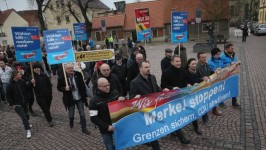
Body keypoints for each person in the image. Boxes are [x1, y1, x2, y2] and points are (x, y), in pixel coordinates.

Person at [129, 60, 169, 150]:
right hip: (145, 111)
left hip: (155, 108)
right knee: (152, 131)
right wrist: (135, 97)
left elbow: (156, 88)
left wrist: (163, 90)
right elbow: (131, 98)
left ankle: (147, 139)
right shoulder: (134, 82)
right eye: (146, 67)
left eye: (149, 67)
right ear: (140, 69)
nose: (148, 69)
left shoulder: (153, 77)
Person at [160, 55, 191, 144]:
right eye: (177, 61)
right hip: (172, 98)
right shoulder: (166, 72)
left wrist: (188, 84)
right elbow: (163, 85)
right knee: (176, 117)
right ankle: (181, 137)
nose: (179, 63)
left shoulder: (182, 70)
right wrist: (172, 88)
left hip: (182, 96)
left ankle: (173, 131)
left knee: (180, 115)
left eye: (180, 61)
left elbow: (185, 80)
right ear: (172, 62)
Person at [57, 63, 90, 134]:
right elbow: (59, 88)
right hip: (70, 99)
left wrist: (85, 96)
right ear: (65, 69)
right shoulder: (62, 77)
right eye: (69, 68)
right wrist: (64, 88)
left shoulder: (78, 74)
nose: (71, 69)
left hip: (79, 98)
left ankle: (84, 128)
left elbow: (82, 86)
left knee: (82, 114)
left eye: (72, 67)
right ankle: (71, 121)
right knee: (71, 114)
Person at [89, 78, 119, 150]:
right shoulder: (94, 100)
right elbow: (93, 118)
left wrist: (123, 98)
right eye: (104, 86)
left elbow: (122, 104)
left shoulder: (115, 93)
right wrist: (107, 127)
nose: (107, 87)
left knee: (119, 145)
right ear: (99, 87)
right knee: (109, 147)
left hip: (117, 124)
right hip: (105, 129)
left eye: (108, 85)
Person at [6, 70, 32, 139]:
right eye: (19, 74)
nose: (21, 75)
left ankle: (26, 124)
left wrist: (31, 82)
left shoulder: (22, 81)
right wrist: (12, 104)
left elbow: (27, 87)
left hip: (24, 103)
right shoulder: (10, 85)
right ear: (15, 76)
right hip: (17, 105)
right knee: (24, 117)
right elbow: (8, 96)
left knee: (26, 115)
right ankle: (28, 130)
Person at [197, 52, 222, 119]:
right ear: (199, 59)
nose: (204, 58)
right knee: (203, 101)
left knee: (212, 96)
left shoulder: (206, 64)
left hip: (209, 84)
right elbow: (195, 78)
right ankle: (204, 115)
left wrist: (215, 71)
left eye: (205, 57)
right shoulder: (197, 67)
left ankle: (214, 109)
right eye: (202, 57)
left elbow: (210, 71)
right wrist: (202, 78)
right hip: (202, 86)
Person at [185, 58, 204, 135]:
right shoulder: (185, 72)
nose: (194, 65)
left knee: (195, 109)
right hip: (188, 94)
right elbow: (185, 81)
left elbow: (199, 78)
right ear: (188, 64)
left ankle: (198, 125)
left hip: (196, 93)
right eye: (192, 64)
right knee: (191, 110)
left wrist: (202, 79)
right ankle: (194, 126)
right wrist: (189, 85)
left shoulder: (197, 71)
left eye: (195, 64)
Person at [220, 43, 240, 108]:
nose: (233, 49)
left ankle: (234, 102)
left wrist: (237, 63)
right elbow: (221, 65)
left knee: (234, 87)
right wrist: (230, 63)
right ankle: (221, 102)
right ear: (226, 49)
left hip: (233, 74)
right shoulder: (222, 56)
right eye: (232, 48)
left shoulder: (233, 55)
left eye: (233, 48)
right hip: (225, 75)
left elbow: (235, 61)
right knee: (223, 88)